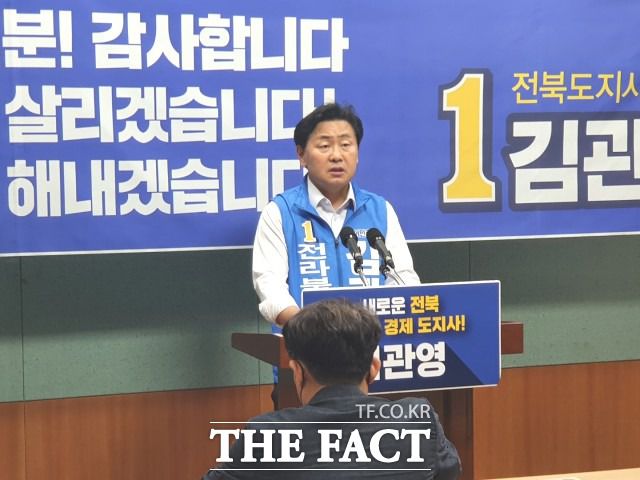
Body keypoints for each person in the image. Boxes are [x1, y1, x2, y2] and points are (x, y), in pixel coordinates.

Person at [203, 299, 461, 479]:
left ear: (298, 372)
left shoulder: (267, 435)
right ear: (374, 368)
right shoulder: (417, 419)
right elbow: (449, 471)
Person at [252, 103, 420, 327]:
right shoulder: (281, 212)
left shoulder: (380, 210)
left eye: (346, 145)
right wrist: (313, 330)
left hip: (374, 342)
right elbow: (270, 286)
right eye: (324, 146)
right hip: (306, 342)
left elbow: (403, 278)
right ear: (301, 154)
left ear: (357, 153)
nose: (337, 156)